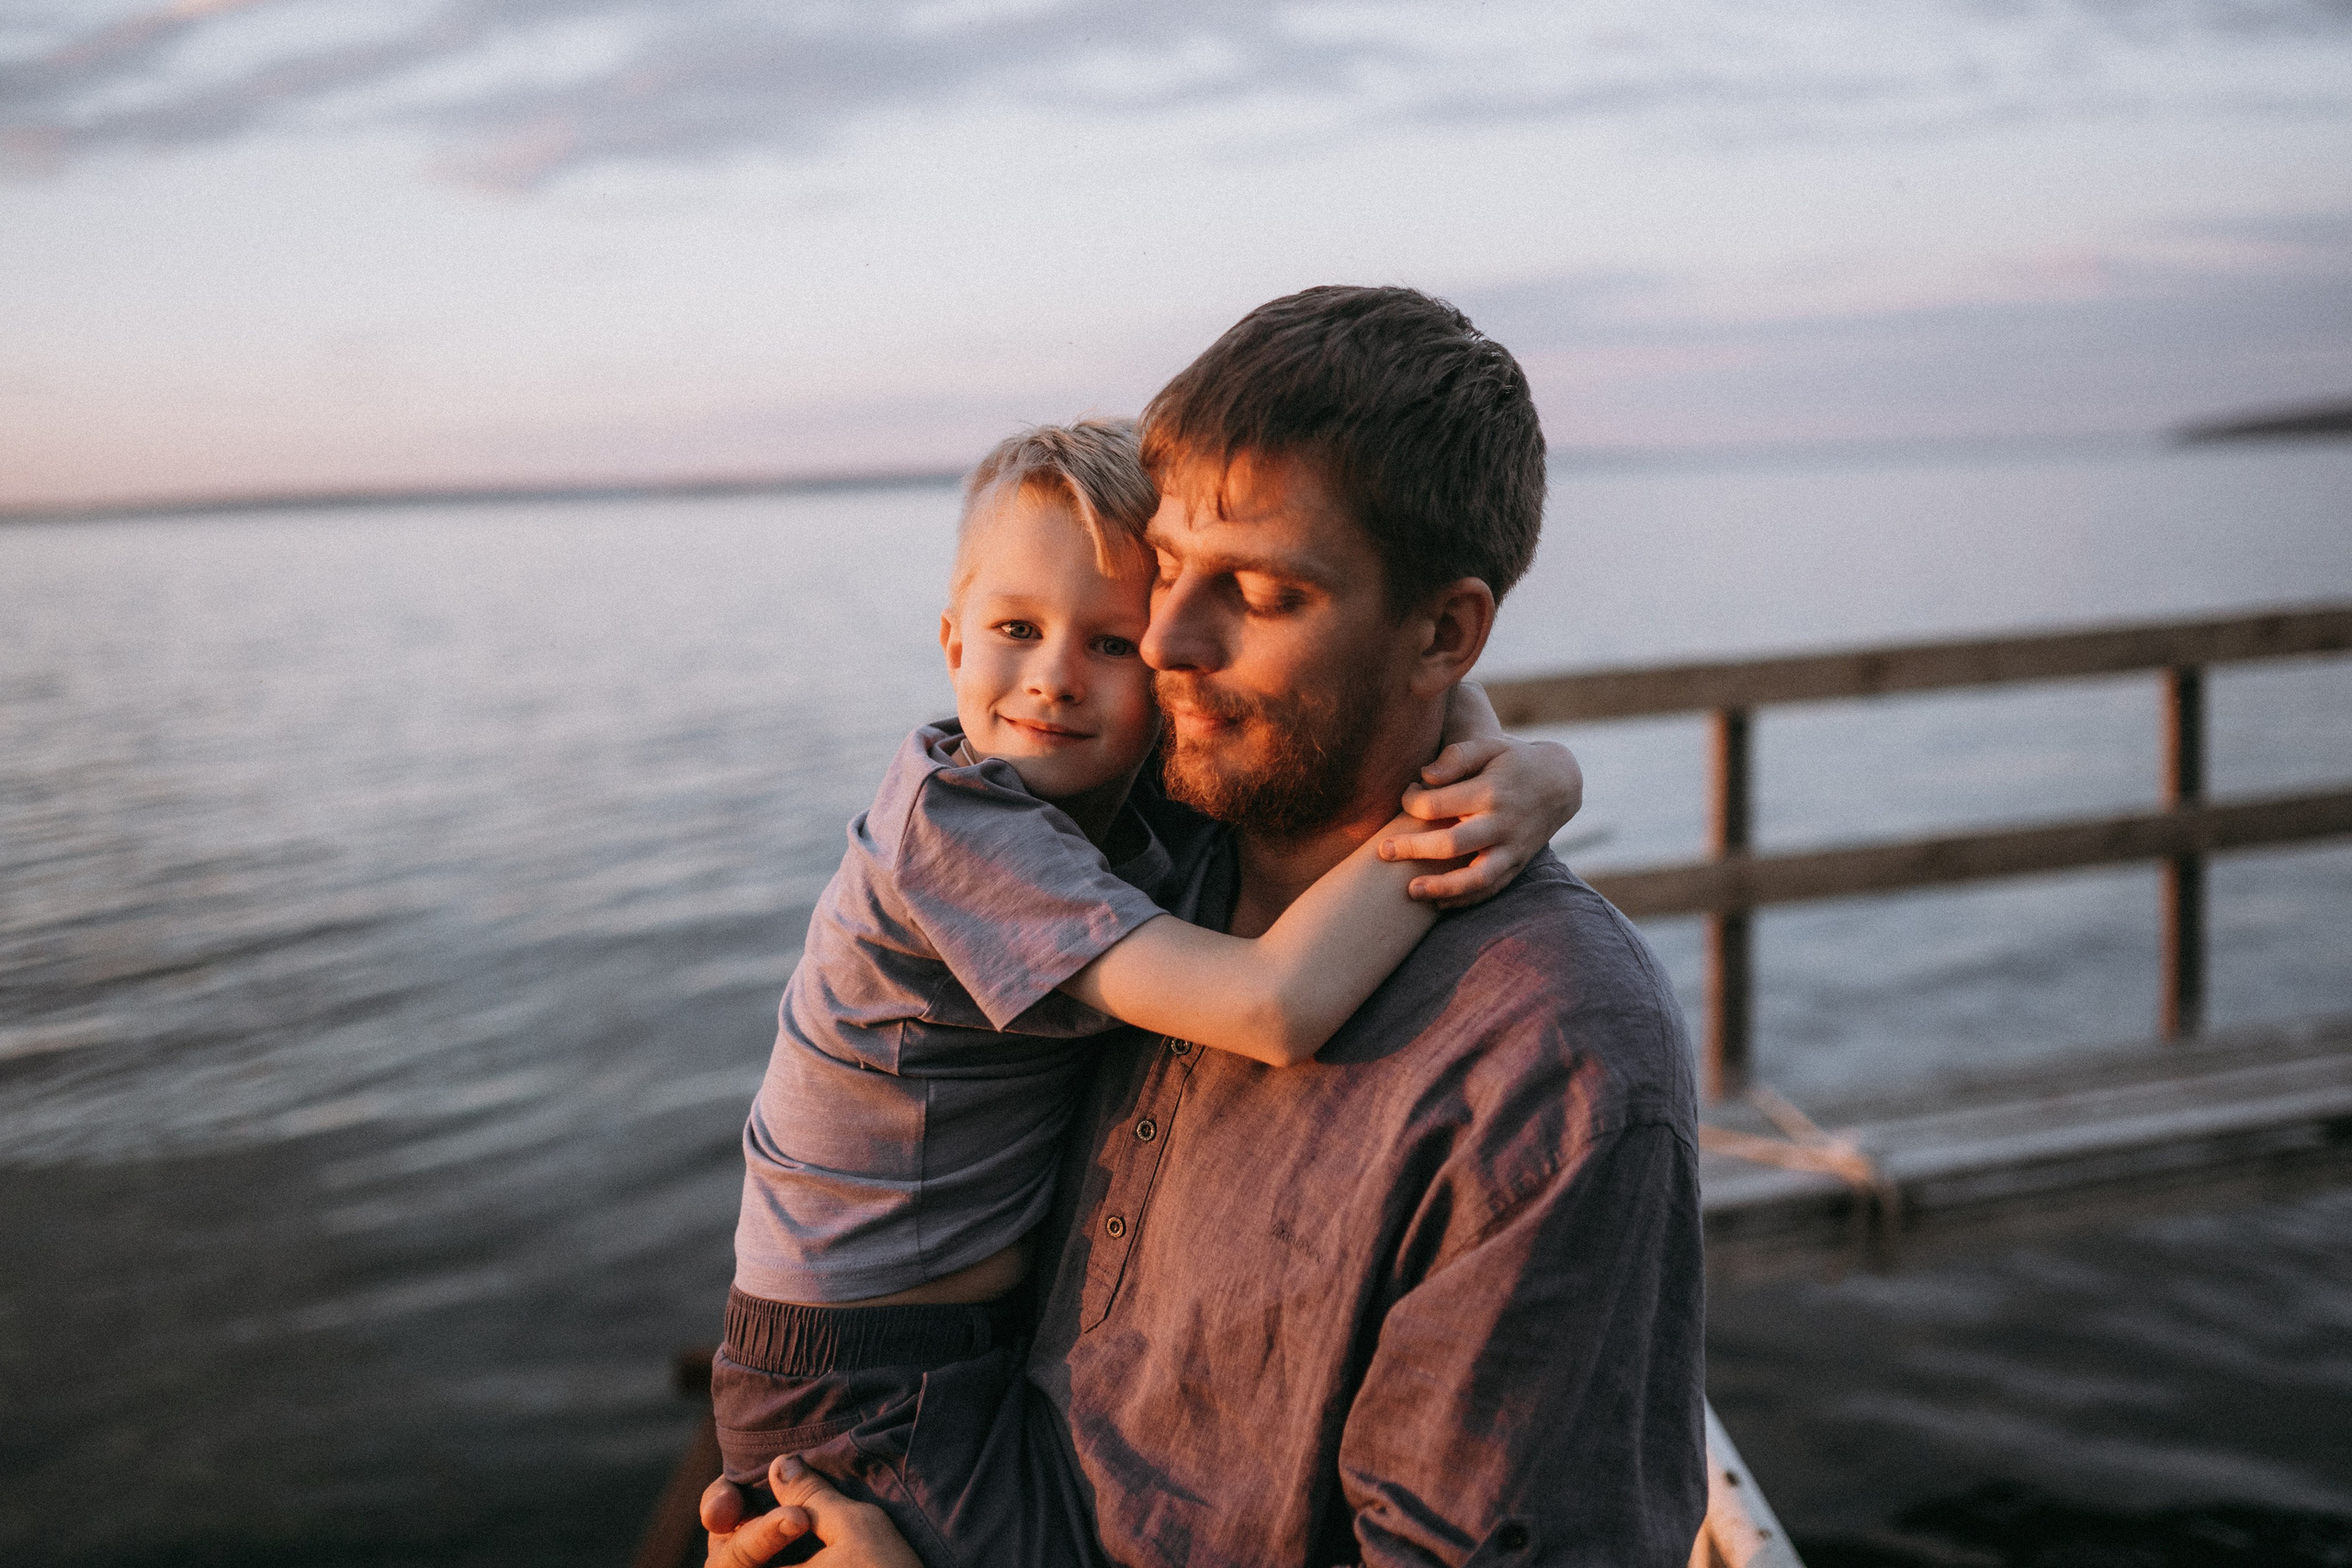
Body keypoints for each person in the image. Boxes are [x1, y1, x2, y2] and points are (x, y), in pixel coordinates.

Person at [707, 287, 1707, 1567]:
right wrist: (1509, 767)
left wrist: (1519, 777)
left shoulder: (1554, 1055)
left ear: (1445, 633)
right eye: (1169, 570)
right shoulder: (1140, 846)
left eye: (1260, 592)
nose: (1166, 644)